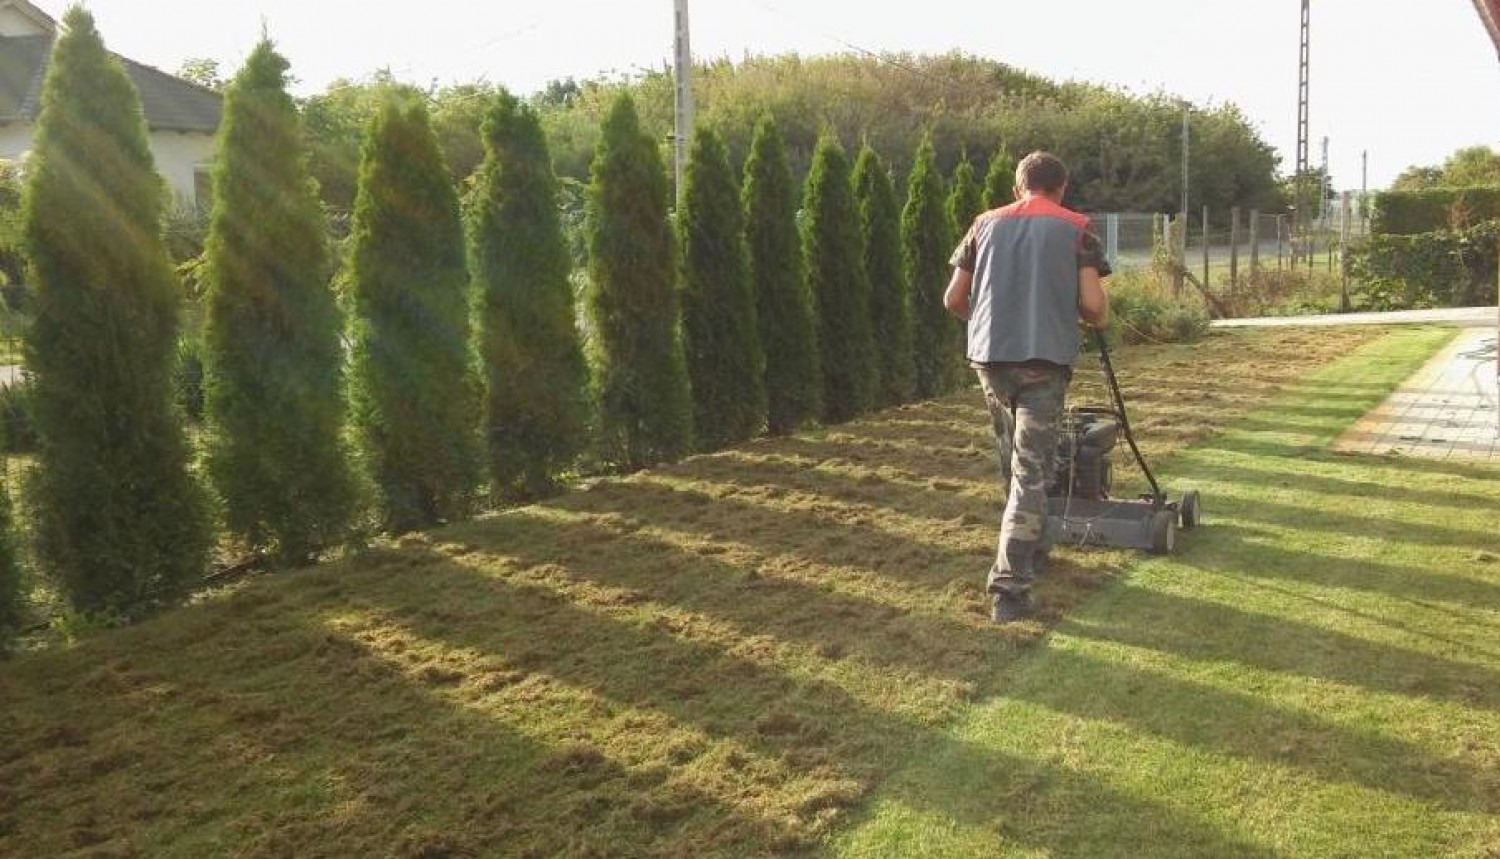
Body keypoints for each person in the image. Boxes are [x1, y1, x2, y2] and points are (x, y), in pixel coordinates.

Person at [943, 151, 1110, 623]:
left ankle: (1034, 549)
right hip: (1043, 365)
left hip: (990, 361)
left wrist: (995, 325)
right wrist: (1093, 317)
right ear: (1061, 187)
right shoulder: (1077, 227)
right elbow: (1094, 307)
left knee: (1013, 464)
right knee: (1031, 471)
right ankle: (1009, 589)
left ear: (1019, 186)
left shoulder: (982, 224)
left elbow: (954, 299)